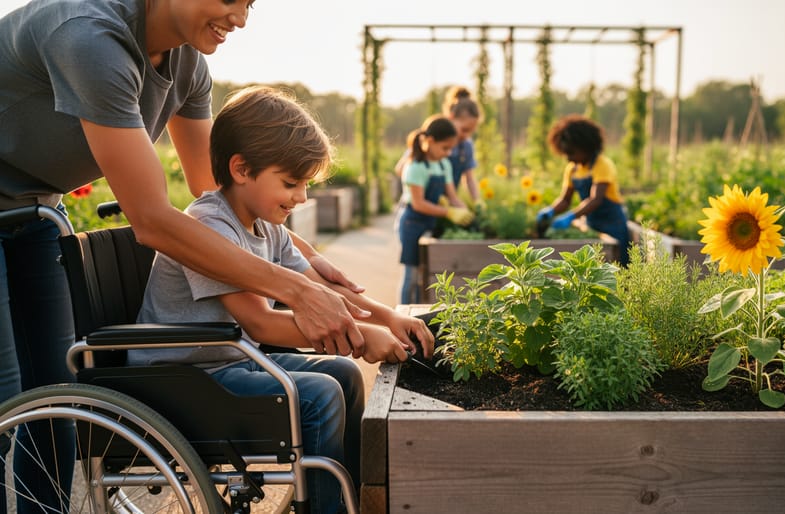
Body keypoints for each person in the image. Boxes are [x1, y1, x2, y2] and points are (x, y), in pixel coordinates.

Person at [0, 1, 366, 511]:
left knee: (54, 397)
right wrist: (297, 290)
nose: (240, 17)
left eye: (250, 4)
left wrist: (301, 257)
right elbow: (151, 220)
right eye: (231, 0)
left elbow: (210, 187)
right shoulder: (90, 38)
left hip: (33, 206)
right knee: (6, 388)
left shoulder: (187, 63)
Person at [128, 86, 434, 513]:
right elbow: (263, 325)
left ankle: (350, 496)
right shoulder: (210, 227)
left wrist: (386, 317)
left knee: (344, 374)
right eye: (291, 183)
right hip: (182, 379)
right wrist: (362, 337)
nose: (301, 198)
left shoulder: (267, 225)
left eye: (305, 184)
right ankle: (327, 506)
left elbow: (319, 290)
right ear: (241, 169)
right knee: (320, 394)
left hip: (230, 362)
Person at [397, 116, 474, 304]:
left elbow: (452, 196)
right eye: (445, 148)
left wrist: (467, 213)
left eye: (451, 148)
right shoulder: (415, 167)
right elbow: (419, 204)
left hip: (430, 222)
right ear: (430, 142)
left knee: (427, 274)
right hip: (412, 223)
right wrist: (448, 213)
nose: (449, 153)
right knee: (412, 275)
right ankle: (404, 313)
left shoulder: (443, 164)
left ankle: (418, 316)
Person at [536, 114, 631, 267]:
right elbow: (565, 199)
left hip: (612, 224)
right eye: (565, 154)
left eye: (571, 153)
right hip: (591, 225)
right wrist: (551, 211)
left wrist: (570, 217)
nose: (568, 158)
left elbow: (596, 199)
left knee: (617, 266)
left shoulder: (602, 165)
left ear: (586, 147)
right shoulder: (572, 169)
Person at [394, 86, 482, 201]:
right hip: (421, 204)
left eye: (471, 132)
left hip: (446, 206)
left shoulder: (466, 146)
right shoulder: (434, 136)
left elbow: (469, 178)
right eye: (464, 130)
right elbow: (400, 169)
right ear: (451, 117)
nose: (466, 136)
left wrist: (477, 201)